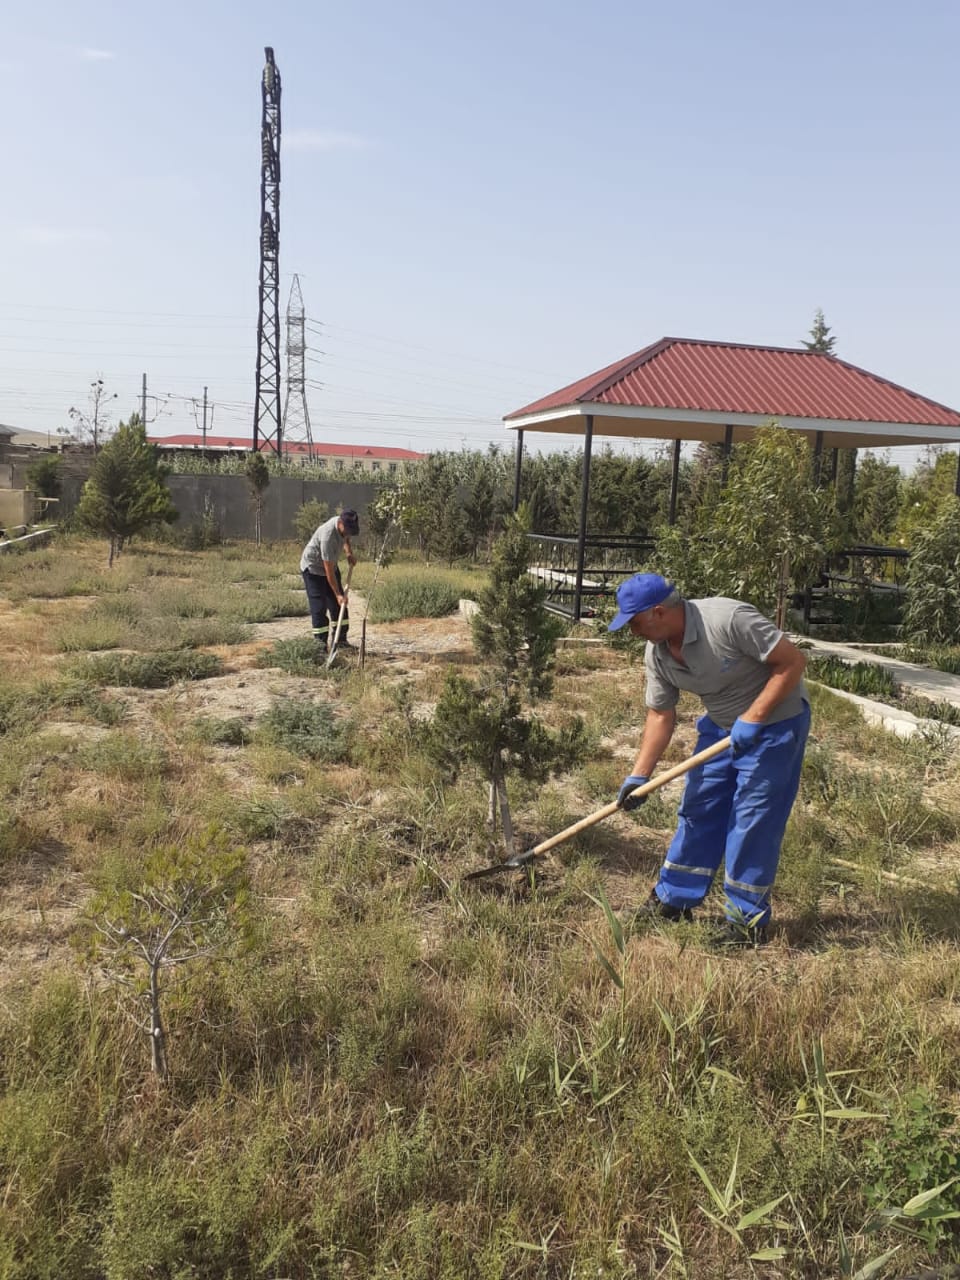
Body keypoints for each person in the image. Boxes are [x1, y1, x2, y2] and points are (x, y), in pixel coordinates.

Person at [609, 572, 810, 947]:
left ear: (658, 613)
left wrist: (753, 718)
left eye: (634, 622)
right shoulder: (658, 652)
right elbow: (659, 715)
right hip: (720, 728)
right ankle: (674, 900)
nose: (632, 631)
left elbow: (792, 663)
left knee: (752, 822)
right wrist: (639, 776)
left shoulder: (728, 620)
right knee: (698, 808)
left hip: (775, 727)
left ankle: (745, 922)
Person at [300, 509, 359, 652]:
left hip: (330, 567)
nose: (348, 533)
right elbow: (328, 571)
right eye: (347, 530)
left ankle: (341, 641)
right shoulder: (328, 536)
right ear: (340, 523)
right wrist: (338, 594)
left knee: (339, 607)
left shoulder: (343, 528)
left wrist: (349, 553)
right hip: (313, 570)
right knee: (319, 608)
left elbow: (346, 538)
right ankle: (320, 647)